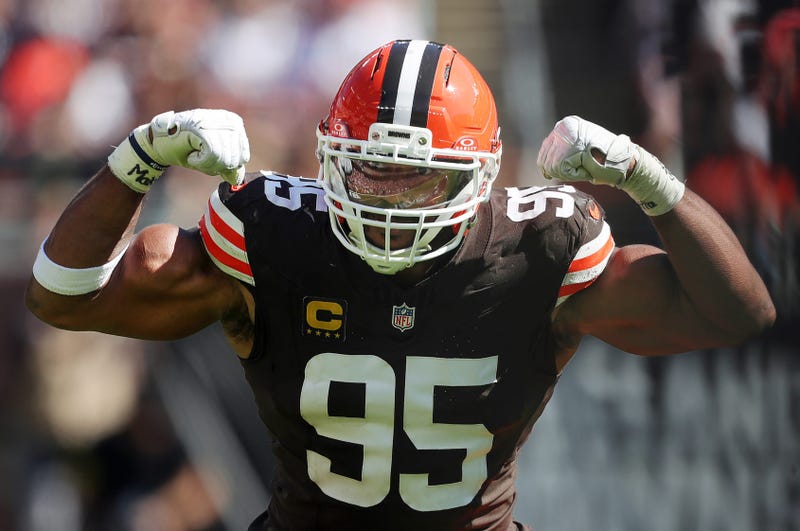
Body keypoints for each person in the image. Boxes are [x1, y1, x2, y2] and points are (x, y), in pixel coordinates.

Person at [25, 39, 775, 531]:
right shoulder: (274, 237)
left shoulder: (536, 248)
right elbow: (62, 292)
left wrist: (649, 179)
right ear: (331, 155)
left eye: (421, 177)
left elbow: (739, 311)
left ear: (481, 178)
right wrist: (139, 156)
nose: (387, 196)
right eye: (370, 167)